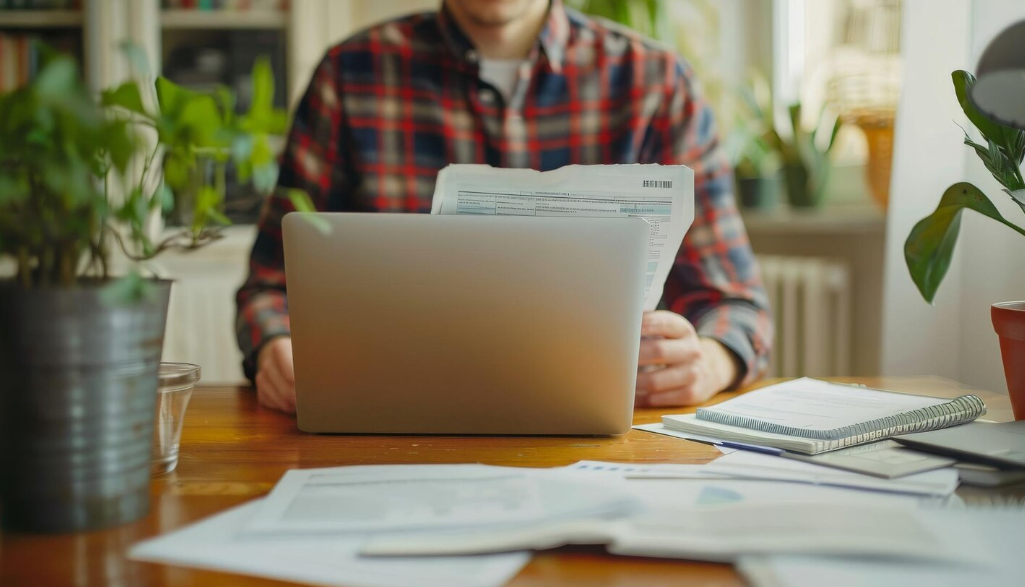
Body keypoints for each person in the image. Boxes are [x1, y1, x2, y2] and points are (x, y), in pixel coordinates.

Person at [236, 0, 772, 415]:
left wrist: (709, 362)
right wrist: (274, 347)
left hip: (611, 442)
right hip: (394, 426)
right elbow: (269, 286)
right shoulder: (349, 75)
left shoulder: (656, 83)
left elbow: (737, 306)